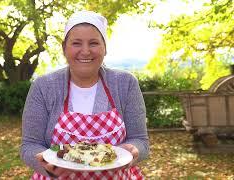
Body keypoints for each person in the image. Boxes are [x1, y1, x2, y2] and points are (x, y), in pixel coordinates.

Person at [21, 10, 149, 180]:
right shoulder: (44, 86)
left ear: (105, 48)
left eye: (94, 43)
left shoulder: (125, 84)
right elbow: (29, 145)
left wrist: (134, 150)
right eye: (76, 43)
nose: (86, 51)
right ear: (64, 48)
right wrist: (48, 165)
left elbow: (140, 140)